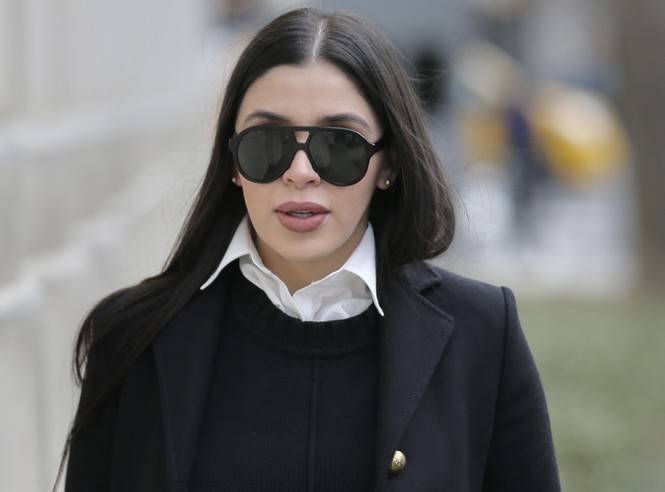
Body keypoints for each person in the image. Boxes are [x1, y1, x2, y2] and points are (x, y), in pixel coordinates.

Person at [62, 7, 560, 492]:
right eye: (267, 142)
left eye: (338, 144)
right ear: (232, 162)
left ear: (388, 164)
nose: (300, 173)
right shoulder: (131, 339)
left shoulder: (482, 336)